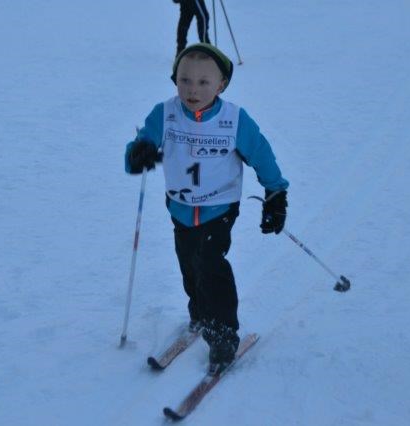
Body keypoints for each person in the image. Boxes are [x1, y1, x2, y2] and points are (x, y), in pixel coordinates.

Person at [124, 43, 289, 375]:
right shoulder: (165, 113)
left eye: (203, 82)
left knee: (211, 266)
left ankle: (224, 334)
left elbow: (261, 154)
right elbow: (142, 143)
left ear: (221, 85)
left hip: (218, 208)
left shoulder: (234, 120)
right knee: (189, 263)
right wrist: (138, 153)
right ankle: (199, 312)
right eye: (184, 80)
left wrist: (275, 194)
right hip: (180, 207)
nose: (192, 90)